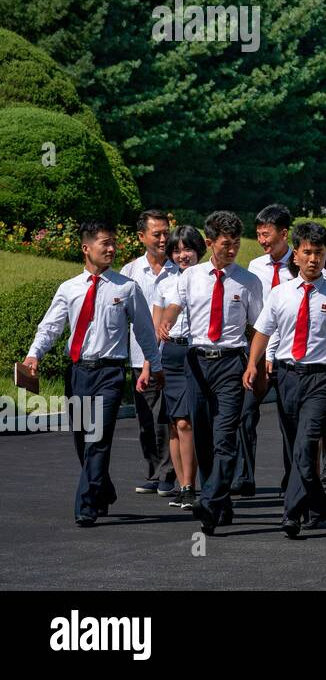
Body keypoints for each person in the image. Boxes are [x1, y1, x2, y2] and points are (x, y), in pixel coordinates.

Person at [22, 221, 160, 526]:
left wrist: (155, 365)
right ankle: (102, 489)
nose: (111, 249)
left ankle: (85, 505)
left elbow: (145, 331)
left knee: (98, 438)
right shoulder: (69, 288)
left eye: (113, 243)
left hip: (110, 374)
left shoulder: (126, 288)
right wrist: (34, 354)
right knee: (82, 439)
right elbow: (51, 326)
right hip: (78, 373)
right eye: (104, 244)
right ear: (86, 248)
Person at [245, 221, 326, 538]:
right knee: (293, 447)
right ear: (296, 255)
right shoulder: (280, 294)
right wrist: (253, 364)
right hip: (287, 376)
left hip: (322, 379)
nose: (313, 259)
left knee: (306, 444)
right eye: (307, 252)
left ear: (325, 256)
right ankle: (319, 505)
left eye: (319, 253)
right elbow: (262, 332)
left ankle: (291, 513)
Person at [160, 211, 264, 535]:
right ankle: (220, 502)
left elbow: (260, 327)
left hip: (231, 363)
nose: (231, 249)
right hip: (197, 361)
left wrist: (255, 364)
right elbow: (176, 303)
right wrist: (168, 319)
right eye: (225, 244)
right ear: (209, 243)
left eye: (235, 244)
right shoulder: (190, 277)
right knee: (202, 436)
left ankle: (209, 500)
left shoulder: (248, 281)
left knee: (225, 438)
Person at [120, 209, 176, 498]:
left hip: (170, 357)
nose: (164, 238)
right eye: (157, 234)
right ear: (142, 237)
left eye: (167, 232)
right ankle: (153, 471)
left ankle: (168, 473)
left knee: (166, 416)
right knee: (145, 420)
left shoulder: (179, 268)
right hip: (137, 356)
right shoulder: (129, 272)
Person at [151, 225, 205, 509]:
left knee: (187, 422)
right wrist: (151, 363)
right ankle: (183, 486)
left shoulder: (206, 278)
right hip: (169, 355)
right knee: (174, 423)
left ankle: (191, 486)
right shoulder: (164, 282)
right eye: (176, 250)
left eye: (187, 249)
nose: (182, 255)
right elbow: (156, 324)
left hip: (194, 351)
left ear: (199, 249)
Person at [248, 203, 295, 494]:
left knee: (290, 421)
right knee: (245, 414)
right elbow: (258, 319)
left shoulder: (301, 264)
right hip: (261, 353)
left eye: (267, 235)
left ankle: (293, 477)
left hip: (291, 355)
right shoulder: (255, 267)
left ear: (284, 234)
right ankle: (244, 476)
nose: (263, 241)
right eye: (259, 235)